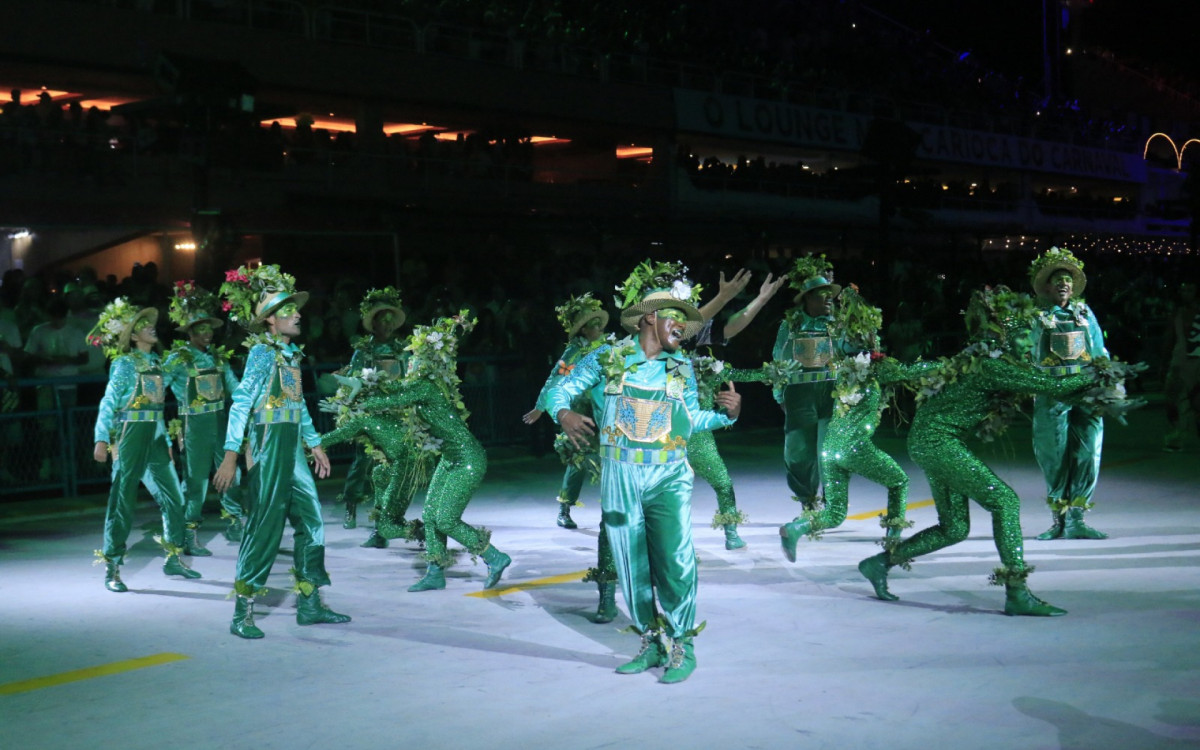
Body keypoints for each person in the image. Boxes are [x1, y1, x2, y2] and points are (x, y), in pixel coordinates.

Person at [857, 286, 1110, 616]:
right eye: (1021, 332)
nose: (1028, 339)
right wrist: (1103, 371)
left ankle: (879, 564)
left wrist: (891, 368)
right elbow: (1053, 386)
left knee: (954, 528)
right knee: (1004, 500)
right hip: (938, 443)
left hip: (929, 440)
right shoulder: (993, 364)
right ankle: (1017, 592)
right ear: (1005, 332)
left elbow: (928, 369)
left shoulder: (976, 358)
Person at [549, 260, 741, 684]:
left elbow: (689, 417)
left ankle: (681, 646)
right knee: (631, 565)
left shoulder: (680, 367)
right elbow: (559, 388)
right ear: (651, 317)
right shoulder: (608, 357)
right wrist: (562, 411)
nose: (684, 328)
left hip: (668, 475)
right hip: (620, 475)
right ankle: (651, 642)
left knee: (675, 561)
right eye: (678, 318)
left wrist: (725, 417)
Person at [325, 312, 512, 593]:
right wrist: (353, 387)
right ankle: (435, 572)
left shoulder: (425, 387)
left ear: (427, 361)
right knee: (430, 514)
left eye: (415, 357)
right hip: (451, 458)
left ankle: (494, 556)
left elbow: (389, 398)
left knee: (446, 518)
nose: (410, 361)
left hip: (467, 459)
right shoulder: (422, 385)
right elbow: (392, 388)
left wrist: (354, 399)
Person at [213, 265, 347, 639]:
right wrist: (231, 453)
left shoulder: (290, 355)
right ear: (269, 321)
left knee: (313, 522)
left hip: (292, 449)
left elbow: (298, 403)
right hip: (269, 446)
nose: (298, 315)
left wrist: (315, 442)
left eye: (297, 310)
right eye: (288, 311)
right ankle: (243, 611)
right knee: (264, 527)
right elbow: (241, 403)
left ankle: (309, 602)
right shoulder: (260, 353)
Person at [779, 285, 932, 560]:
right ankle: (893, 544)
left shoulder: (844, 370)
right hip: (850, 447)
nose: (874, 337)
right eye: (869, 333)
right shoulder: (874, 365)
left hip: (831, 450)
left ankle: (795, 528)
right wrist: (954, 365)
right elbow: (911, 371)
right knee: (898, 482)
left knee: (835, 514)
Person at [90, 298, 202, 592]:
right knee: (122, 500)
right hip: (129, 435)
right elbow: (109, 402)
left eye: (151, 323)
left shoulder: (156, 364)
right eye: (142, 325)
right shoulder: (124, 363)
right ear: (132, 335)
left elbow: (156, 408)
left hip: (153, 435)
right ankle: (112, 567)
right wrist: (102, 438)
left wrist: (165, 439)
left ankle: (173, 557)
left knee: (174, 497)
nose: (151, 327)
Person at [523, 292, 617, 621]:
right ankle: (565, 507)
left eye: (597, 322)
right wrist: (542, 405)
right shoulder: (572, 353)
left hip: (613, 419)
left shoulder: (615, 349)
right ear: (580, 330)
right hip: (578, 414)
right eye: (589, 324)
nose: (595, 327)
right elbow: (555, 379)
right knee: (578, 465)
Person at [683, 267, 786, 549]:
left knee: (723, 482)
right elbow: (684, 327)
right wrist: (723, 296)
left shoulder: (694, 338)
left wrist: (760, 300)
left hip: (696, 429)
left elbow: (729, 327)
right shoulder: (657, 336)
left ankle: (730, 532)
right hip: (659, 431)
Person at [1028, 247, 1112, 540]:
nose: (1065, 283)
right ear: (1048, 286)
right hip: (1051, 394)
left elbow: (1100, 350)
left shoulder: (1085, 312)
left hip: (1086, 391)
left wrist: (1107, 381)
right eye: (1059, 279)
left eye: (1068, 279)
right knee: (1053, 455)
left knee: (1089, 451)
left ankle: (1077, 518)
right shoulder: (1036, 316)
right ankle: (1058, 520)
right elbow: (1026, 354)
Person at [163, 281, 243, 550]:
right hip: (193, 425)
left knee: (231, 473)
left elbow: (235, 388)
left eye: (210, 329)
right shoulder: (178, 358)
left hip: (220, 422)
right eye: (202, 329)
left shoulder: (219, 358)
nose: (208, 334)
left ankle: (234, 520)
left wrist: (255, 398)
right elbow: (156, 385)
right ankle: (189, 531)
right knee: (195, 479)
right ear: (191, 332)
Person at [338, 286, 412, 542]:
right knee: (362, 463)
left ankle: (384, 517)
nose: (388, 327)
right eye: (383, 321)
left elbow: (409, 379)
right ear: (374, 324)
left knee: (391, 467)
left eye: (391, 322)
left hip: (396, 416)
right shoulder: (364, 352)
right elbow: (353, 381)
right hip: (371, 415)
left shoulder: (402, 350)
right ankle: (351, 504)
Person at [771, 255, 840, 509]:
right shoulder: (790, 326)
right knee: (800, 451)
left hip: (832, 391)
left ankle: (834, 499)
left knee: (833, 449)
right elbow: (778, 361)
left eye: (829, 294)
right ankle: (808, 500)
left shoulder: (838, 325)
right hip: (800, 392)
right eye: (823, 295)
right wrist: (780, 395)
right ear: (809, 298)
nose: (829, 299)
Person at [1162, 280, 1200, 452]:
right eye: (1184, 290)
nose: (1186, 294)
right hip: (1180, 361)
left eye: (1190, 290)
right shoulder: (1177, 313)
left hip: (1196, 362)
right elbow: (1170, 338)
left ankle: (1178, 437)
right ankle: (1177, 434)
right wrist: (1164, 361)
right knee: (1173, 399)